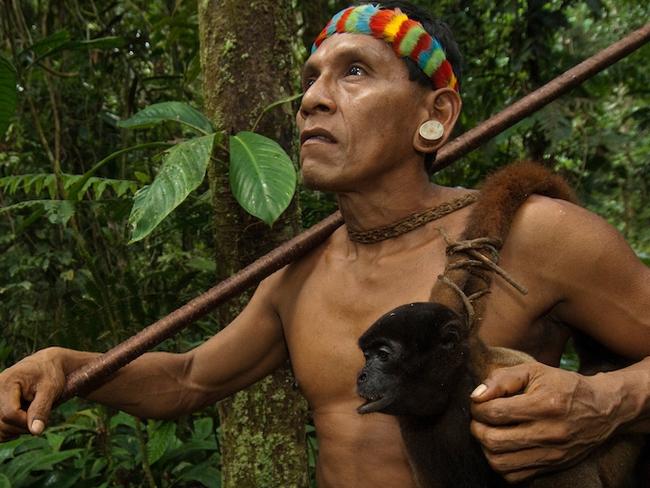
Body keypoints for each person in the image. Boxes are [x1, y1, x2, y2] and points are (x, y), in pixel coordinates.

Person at [1, 2, 649, 486]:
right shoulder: (296, 278)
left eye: (355, 72)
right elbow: (188, 380)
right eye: (311, 78)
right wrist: (64, 364)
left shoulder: (533, 237)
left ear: (437, 116)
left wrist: (605, 402)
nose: (312, 99)